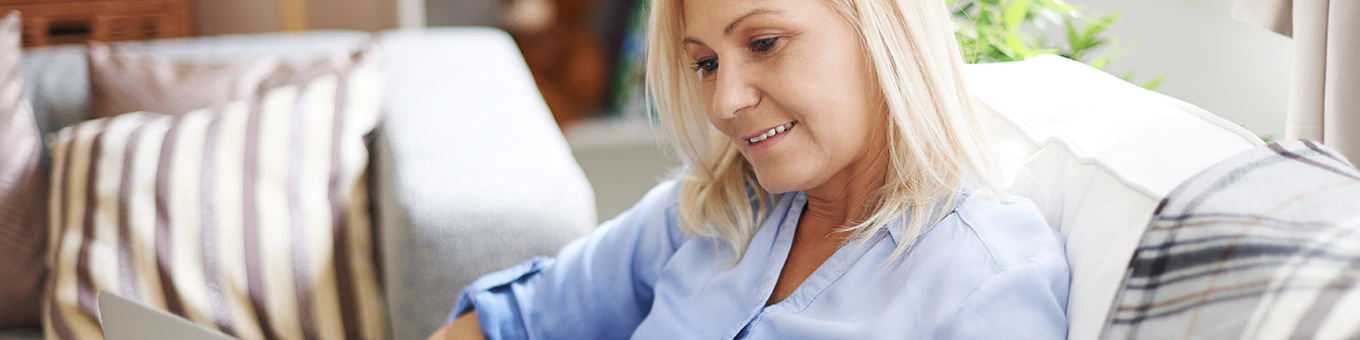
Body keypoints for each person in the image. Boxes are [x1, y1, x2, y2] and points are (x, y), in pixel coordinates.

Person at [430, 0, 1070, 338]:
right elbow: (514, 321)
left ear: (881, 25)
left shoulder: (985, 283)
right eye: (705, 62)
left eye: (763, 43)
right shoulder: (711, 211)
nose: (724, 102)